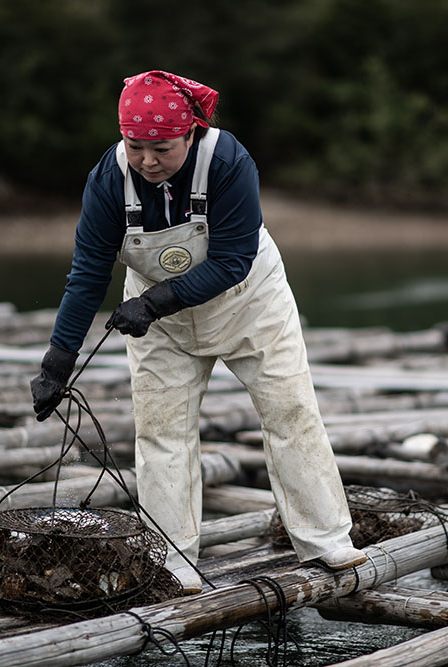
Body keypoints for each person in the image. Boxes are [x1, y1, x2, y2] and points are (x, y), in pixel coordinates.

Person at [30, 70, 366, 594]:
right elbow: (88, 272)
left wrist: (155, 301)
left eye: (161, 148)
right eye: (135, 146)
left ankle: (326, 541)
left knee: (291, 414)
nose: (147, 160)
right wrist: (57, 362)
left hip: (250, 305)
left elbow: (233, 259)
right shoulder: (107, 180)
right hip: (159, 321)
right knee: (161, 434)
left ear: (189, 134)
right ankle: (173, 561)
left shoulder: (228, 162)